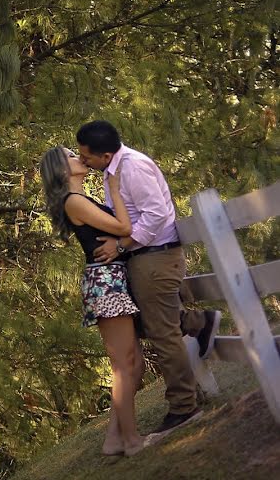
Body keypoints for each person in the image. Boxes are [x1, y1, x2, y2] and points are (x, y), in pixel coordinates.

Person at [76, 120, 221, 435]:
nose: (82, 160)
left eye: (85, 155)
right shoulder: (111, 172)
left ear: (104, 154)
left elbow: (155, 215)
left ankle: (184, 407)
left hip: (156, 257)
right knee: (146, 324)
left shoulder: (133, 168)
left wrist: (122, 245)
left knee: (161, 332)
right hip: (142, 259)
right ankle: (198, 322)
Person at [41, 146, 156, 456]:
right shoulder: (74, 201)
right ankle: (132, 441)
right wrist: (116, 189)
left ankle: (114, 439)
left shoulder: (82, 200)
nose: (78, 155)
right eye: (69, 154)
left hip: (113, 277)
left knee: (136, 363)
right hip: (105, 282)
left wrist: (119, 242)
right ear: (62, 170)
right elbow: (123, 227)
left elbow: (120, 234)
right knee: (123, 366)